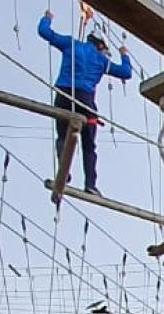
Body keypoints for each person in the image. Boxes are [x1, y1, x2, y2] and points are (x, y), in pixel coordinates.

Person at [37, 11, 133, 197]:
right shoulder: (101, 60)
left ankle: (64, 171)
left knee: (62, 136)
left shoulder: (70, 44)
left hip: (64, 95)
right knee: (89, 145)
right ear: (99, 45)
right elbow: (126, 72)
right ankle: (90, 184)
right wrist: (124, 55)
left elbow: (44, 32)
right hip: (85, 100)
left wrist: (48, 17)